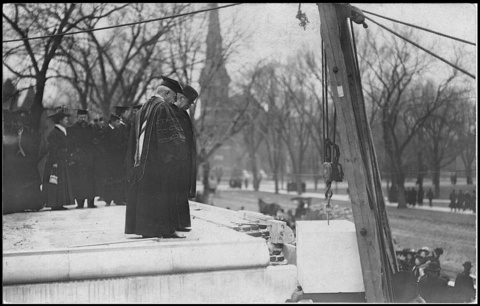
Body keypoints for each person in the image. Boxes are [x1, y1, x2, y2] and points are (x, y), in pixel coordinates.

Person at [125, 76, 190, 238]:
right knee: (161, 196)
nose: (173, 102)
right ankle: (163, 230)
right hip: (158, 165)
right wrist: (177, 157)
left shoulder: (142, 109)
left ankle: (146, 229)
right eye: (174, 97)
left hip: (142, 164)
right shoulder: (162, 108)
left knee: (146, 197)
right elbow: (172, 140)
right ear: (167, 93)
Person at [172, 84, 198, 228]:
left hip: (184, 159)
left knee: (182, 191)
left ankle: (181, 222)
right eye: (188, 102)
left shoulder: (183, 113)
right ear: (181, 98)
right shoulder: (172, 112)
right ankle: (176, 222)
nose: (189, 106)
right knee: (176, 191)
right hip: (177, 159)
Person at [42, 107, 74, 210]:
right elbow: (52, 148)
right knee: (55, 181)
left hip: (61, 160)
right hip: (55, 161)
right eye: (65, 119)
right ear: (60, 120)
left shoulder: (62, 131)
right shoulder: (54, 133)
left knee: (60, 182)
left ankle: (59, 203)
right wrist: (55, 162)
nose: (67, 121)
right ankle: (54, 204)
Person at [68, 109, 97, 209]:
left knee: (90, 179)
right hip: (78, 157)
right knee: (78, 180)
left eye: (84, 117)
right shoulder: (72, 129)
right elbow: (70, 144)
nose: (83, 119)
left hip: (89, 157)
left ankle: (91, 202)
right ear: (77, 118)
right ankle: (80, 202)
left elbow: (96, 140)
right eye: (81, 118)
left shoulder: (91, 128)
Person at [103, 114, 126, 206]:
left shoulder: (119, 130)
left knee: (118, 178)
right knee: (109, 178)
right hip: (109, 159)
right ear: (112, 121)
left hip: (118, 158)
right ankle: (108, 198)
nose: (119, 123)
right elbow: (105, 144)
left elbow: (124, 140)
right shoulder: (105, 130)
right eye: (117, 122)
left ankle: (118, 198)